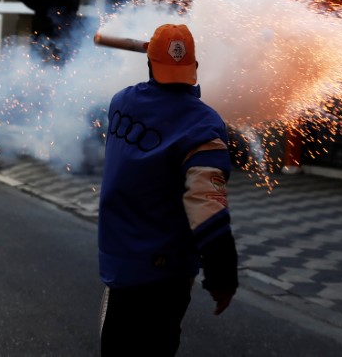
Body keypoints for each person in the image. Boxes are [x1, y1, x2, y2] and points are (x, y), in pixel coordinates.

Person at [98, 24, 238, 356]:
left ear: (149, 64)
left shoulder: (120, 105)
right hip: (165, 277)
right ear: (194, 68)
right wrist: (223, 277)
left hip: (118, 266)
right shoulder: (203, 125)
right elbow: (208, 208)